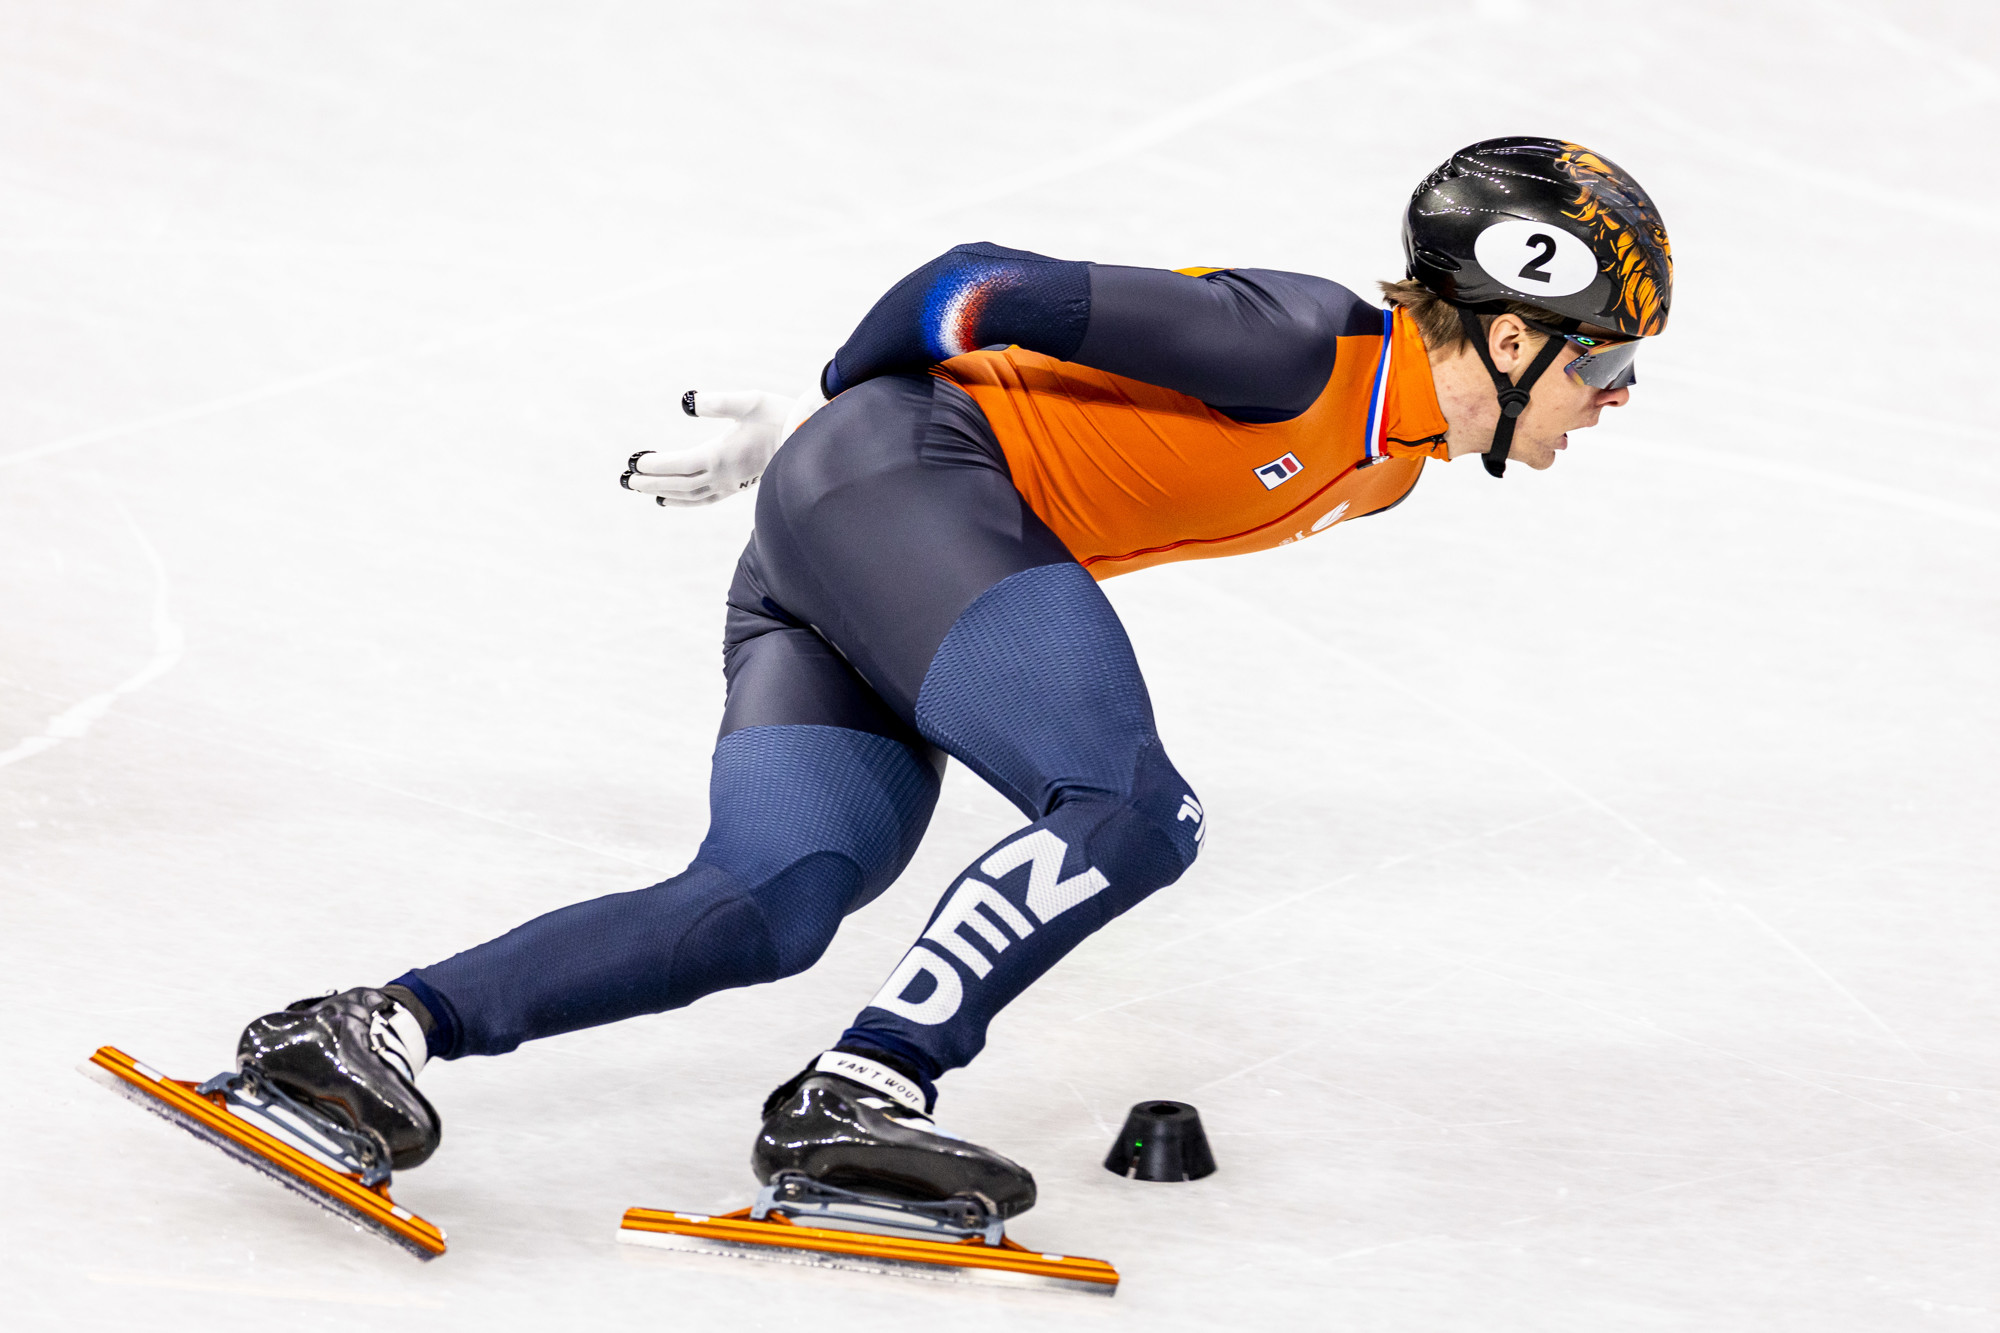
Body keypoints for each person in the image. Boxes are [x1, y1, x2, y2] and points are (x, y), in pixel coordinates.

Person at [232, 136, 1672, 1220]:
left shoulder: (1392, 466)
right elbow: (971, 286)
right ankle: (862, 1088)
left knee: (771, 896)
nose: (1613, 401)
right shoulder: (1298, 343)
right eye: (1603, 362)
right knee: (1129, 807)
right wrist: (833, 410)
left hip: (871, 542)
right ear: (1507, 326)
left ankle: (364, 1030)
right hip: (902, 487)